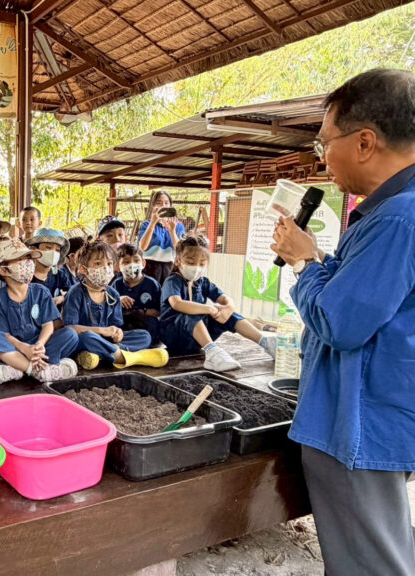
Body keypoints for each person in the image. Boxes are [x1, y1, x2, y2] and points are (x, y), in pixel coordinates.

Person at [271, 68, 415, 576]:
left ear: (365, 141)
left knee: (368, 563)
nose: (322, 158)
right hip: (367, 414)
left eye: (323, 142)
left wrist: (304, 264)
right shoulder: (388, 214)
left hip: (358, 420)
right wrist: (318, 260)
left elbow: (340, 321)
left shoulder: (400, 218)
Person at [159, 236, 274, 371]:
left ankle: (266, 343)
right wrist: (209, 308)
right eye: (191, 262)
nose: (196, 268)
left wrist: (228, 308)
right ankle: (213, 352)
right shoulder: (173, 281)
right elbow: (177, 304)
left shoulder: (203, 282)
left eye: (201, 264)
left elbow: (225, 299)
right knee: (191, 314)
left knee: (228, 314)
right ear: (178, 261)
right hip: (175, 336)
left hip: (196, 339)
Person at [0, 239, 79, 384]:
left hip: (39, 346)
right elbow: (3, 334)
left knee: (70, 335)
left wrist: (39, 345)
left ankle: (17, 368)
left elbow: (48, 325)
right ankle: (36, 370)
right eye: (20, 259)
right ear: (3, 270)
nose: (28, 263)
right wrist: (23, 347)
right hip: (14, 347)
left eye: (28, 258)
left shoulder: (41, 291)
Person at [63, 241, 168, 370]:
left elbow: (116, 324)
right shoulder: (75, 293)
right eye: (98, 264)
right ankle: (126, 357)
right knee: (87, 337)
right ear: (83, 269)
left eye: (109, 263)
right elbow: (70, 328)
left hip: (107, 341)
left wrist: (119, 334)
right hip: (86, 339)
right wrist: (101, 331)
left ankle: (99, 355)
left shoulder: (112, 293)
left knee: (144, 336)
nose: (106, 268)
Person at [113, 244, 162, 345]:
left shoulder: (152, 284)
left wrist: (141, 311)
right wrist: (118, 300)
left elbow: (159, 311)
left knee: (150, 329)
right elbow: (109, 308)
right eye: (126, 262)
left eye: (136, 261)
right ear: (118, 266)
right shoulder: (116, 284)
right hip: (124, 325)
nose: (132, 265)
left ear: (143, 264)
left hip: (145, 326)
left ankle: (125, 346)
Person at [138, 192, 186, 285]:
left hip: (170, 267)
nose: (163, 206)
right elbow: (142, 247)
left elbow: (180, 251)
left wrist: (172, 231)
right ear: (153, 206)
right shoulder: (146, 225)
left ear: (171, 206)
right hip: (149, 267)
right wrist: (153, 223)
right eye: (159, 203)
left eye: (166, 203)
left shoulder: (178, 226)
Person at [25, 228, 72, 306]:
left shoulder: (59, 275)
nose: (53, 253)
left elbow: (71, 293)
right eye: (49, 248)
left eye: (57, 250)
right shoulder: (25, 276)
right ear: (34, 250)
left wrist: (62, 298)